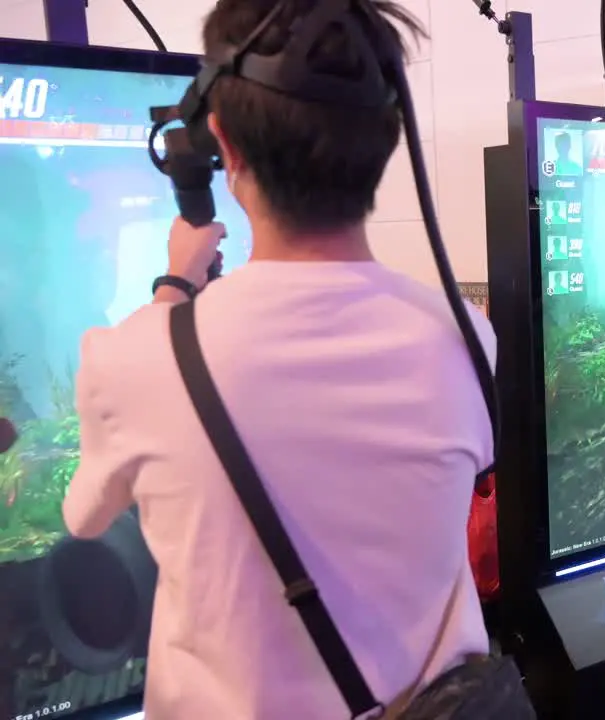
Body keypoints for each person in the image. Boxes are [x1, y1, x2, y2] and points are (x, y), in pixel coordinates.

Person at [61, 2, 495, 718]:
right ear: (392, 138)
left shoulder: (133, 357)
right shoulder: (466, 338)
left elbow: (85, 516)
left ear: (221, 140)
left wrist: (174, 288)